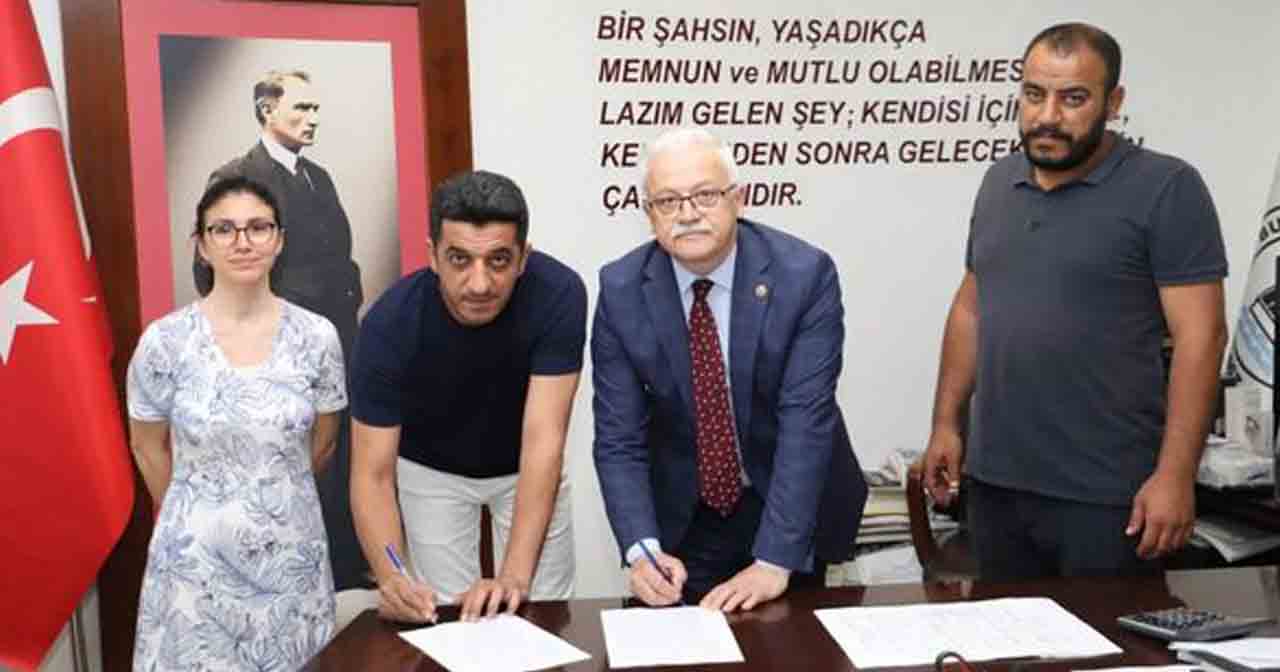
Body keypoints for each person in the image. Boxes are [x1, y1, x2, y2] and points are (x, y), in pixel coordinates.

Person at [922, 23, 1228, 580]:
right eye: (1034, 94)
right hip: (995, 487)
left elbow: (1201, 337)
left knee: (1107, 637)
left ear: (1114, 103)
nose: (1048, 116)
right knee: (1004, 632)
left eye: (1073, 98)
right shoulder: (999, 182)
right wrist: (946, 424)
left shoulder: (1167, 188)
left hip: (1109, 497)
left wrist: (1176, 475)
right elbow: (971, 308)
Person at [592, 127, 867, 611]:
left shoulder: (803, 276)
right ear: (649, 214)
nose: (688, 214)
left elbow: (805, 422)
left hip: (791, 504)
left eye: (705, 195)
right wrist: (643, 552)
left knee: (794, 641)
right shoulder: (621, 290)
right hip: (689, 514)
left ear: (737, 199)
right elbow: (619, 438)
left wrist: (774, 561)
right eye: (668, 201)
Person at [128, 177, 345, 670]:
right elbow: (146, 447)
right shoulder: (165, 342)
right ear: (202, 245)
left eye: (258, 227)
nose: (242, 242)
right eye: (223, 229)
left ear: (280, 239)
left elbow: (325, 443)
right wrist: (203, 508)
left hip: (290, 558)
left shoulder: (317, 337)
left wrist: (268, 499)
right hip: (195, 565)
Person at [350, 170, 585, 623]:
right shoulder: (388, 324)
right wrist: (392, 576)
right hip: (431, 470)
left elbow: (544, 439)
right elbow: (372, 474)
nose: (479, 284)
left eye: (499, 260)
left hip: (526, 466)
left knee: (541, 611)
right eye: (459, 259)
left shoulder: (559, 294)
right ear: (432, 256)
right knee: (442, 615)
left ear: (524, 258)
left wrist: (514, 578)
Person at [198, 68, 366, 588]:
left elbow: (342, 257)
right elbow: (214, 273)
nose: (314, 118)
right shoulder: (236, 177)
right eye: (303, 108)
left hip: (335, 344)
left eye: (316, 109)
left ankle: (341, 575)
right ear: (268, 111)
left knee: (336, 460)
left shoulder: (320, 178)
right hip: (272, 352)